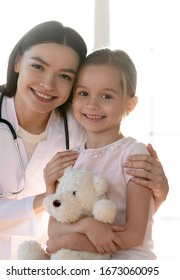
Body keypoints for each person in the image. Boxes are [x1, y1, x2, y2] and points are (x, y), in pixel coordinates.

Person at [0, 21, 168, 260]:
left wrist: (158, 190)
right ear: (18, 60)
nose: (48, 84)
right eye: (38, 66)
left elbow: (117, 198)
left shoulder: (82, 120)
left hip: (58, 252)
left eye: (64, 76)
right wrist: (53, 200)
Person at [44, 48, 157, 259]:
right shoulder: (70, 159)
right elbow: (54, 230)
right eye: (83, 93)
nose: (92, 104)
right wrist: (87, 226)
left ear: (130, 105)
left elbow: (134, 234)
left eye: (106, 96)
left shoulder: (133, 154)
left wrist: (71, 240)